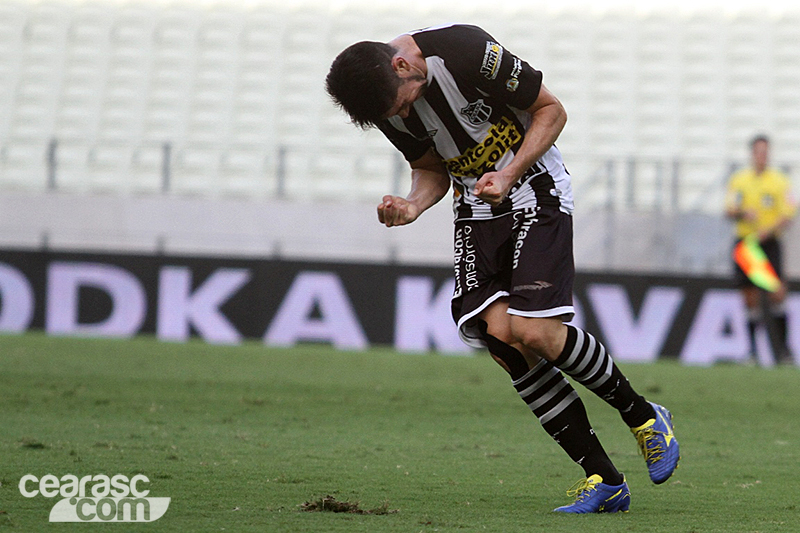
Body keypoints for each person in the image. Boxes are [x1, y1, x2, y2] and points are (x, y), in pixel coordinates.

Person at [326, 24, 680, 513]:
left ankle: (643, 417)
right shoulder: (386, 100)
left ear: (402, 65)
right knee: (503, 341)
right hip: (476, 208)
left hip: (533, 187)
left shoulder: (466, 52)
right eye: (396, 114)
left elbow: (552, 111)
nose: (404, 114)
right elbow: (430, 168)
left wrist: (510, 172)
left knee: (535, 332)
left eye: (404, 103)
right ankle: (604, 479)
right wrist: (412, 206)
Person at [725, 134, 796, 364]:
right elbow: (729, 209)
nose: (762, 156)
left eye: (765, 152)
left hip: (769, 243)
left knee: (777, 294)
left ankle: (784, 352)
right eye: (758, 151)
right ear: (752, 154)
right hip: (747, 244)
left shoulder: (778, 181)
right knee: (749, 297)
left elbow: (789, 213)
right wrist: (742, 212)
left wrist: (769, 229)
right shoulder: (740, 180)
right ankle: (753, 352)